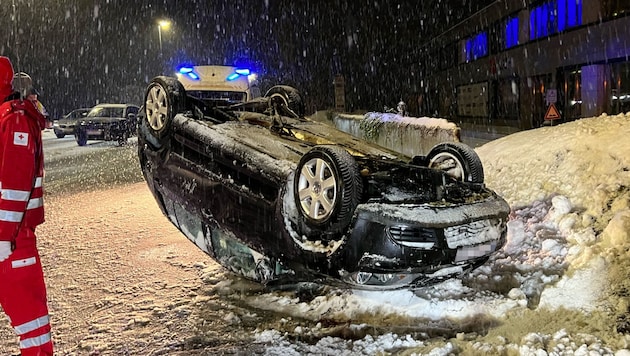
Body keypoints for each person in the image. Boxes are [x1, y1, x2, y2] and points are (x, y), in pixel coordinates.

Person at [0, 56, 54, 355]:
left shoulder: (15, 119)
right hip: (9, 238)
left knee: (33, 332)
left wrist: (3, 237)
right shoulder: (7, 116)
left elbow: (15, 188)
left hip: (13, 241)